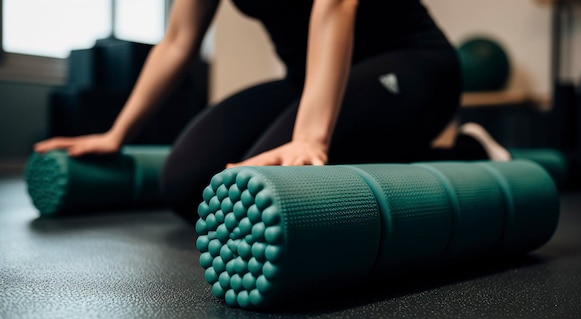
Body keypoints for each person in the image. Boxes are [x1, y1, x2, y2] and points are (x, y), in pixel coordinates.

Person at [34, 0, 491, 223]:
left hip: (414, 66)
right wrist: (117, 133)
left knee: (260, 188)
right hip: (307, 79)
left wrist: (310, 137)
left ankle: (468, 150)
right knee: (186, 182)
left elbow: (334, 5)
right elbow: (177, 41)